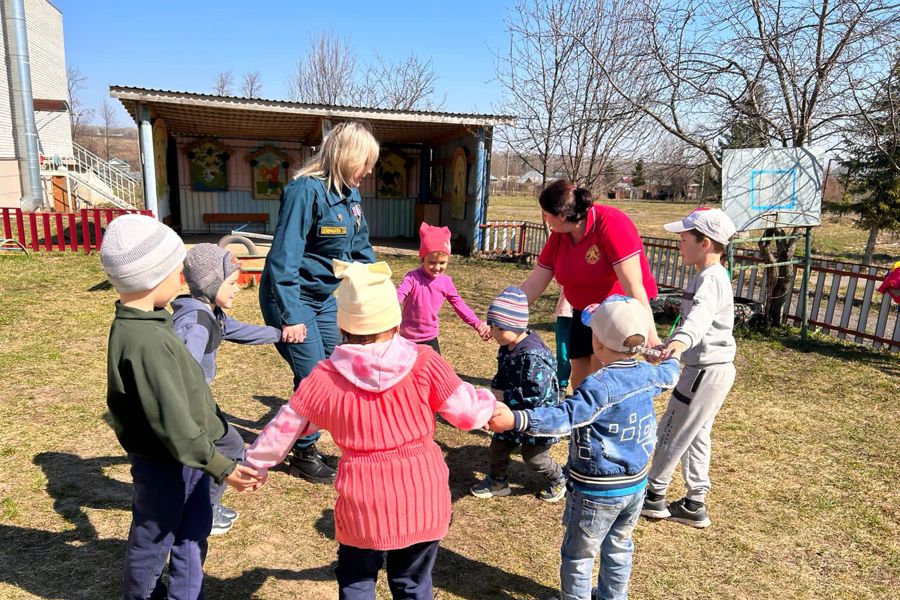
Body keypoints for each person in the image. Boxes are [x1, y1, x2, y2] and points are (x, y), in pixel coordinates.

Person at [244, 259, 498, 600]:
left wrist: (256, 464)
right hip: (422, 495)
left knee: (357, 579)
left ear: (344, 327)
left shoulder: (324, 377)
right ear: (395, 321)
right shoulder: (424, 362)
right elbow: (468, 413)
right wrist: (493, 405)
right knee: (412, 583)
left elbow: (284, 427)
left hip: (363, 502)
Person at [100, 215, 259, 599]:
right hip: (167, 463)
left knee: (192, 527)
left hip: (189, 457)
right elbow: (173, 420)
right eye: (177, 270)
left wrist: (222, 443)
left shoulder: (151, 324)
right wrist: (225, 468)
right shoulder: (146, 342)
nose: (181, 278)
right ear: (154, 277)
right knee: (154, 540)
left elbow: (188, 398)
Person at [489, 295, 680, 600]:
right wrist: (668, 355)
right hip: (634, 487)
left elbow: (565, 417)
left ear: (599, 344)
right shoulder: (648, 374)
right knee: (619, 547)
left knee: (579, 554)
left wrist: (518, 418)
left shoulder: (598, 386)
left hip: (597, 491)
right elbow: (671, 374)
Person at [259, 121, 379, 484]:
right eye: (366, 162)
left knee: (334, 369)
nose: (370, 171)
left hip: (324, 297)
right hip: (291, 297)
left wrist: (378, 282)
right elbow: (284, 257)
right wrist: (291, 316)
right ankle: (304, 452)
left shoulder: (350, 194)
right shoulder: (304, 191)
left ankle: (305, 440)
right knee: (312, 376)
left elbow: (359, 248)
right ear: (348, 158)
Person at [171, 243, 282, 535]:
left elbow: (236, 331)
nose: (237, 289)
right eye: (232, 283)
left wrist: (280, 335)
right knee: (229, 447)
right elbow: (184, 373)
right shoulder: (195, 323)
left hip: (197, 401)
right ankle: (204, 511)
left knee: (221, 449)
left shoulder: (210, 312)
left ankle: (201, 505)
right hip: (192, 404)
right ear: (210, 283)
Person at [641, 208, 738, 529]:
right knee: (696, 434)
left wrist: (679, 344)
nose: (679, 245)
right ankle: (695, 501)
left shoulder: (710, 280)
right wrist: (672, 344)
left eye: (684, 239)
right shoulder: (709, 276)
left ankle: (653, 495)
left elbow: (699, 318)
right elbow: (691, 317)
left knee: (671, 429)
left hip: (704, 372)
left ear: (705, 243)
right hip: (710, 370)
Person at [519, 179, 660, 391]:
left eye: (546, 213)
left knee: (598, 379)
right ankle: (582, 422)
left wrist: (650, 337)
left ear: (563, 216)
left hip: (615, 313)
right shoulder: (560, 236)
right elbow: (534, 283)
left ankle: (600, 422)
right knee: (580, 381)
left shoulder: (611, 223)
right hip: (583, 312)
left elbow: (634, 286)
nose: (544, 218)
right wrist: (508, 312)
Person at [470, 285, 566, 502]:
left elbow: (538, 397)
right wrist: (496, 393)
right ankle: (497, 482)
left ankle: (559, 478)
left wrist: (506, 397)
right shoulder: (508, 345)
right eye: (492, 326)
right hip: (512, 412)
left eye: (499, 328)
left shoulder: (533, 357)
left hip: (536, 418)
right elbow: (503, 374)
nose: (493, 333)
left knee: (534, 459)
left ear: (516, 325)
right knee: (499, 446)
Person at [397, 222, 491, 353]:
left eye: (442, 263)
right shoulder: (412, 278)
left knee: (434, 373)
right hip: (407, 339)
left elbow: (459, 305)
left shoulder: (446, 282)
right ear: (422, 259)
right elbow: (398, 296)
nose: (436, 267)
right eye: (431, 262)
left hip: (430, 338)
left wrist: (477, 324)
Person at [555, 291, 573, 397]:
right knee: (563, 354)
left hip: (587, 314)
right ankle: (561, 386)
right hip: (565, 314)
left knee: (584, 356)